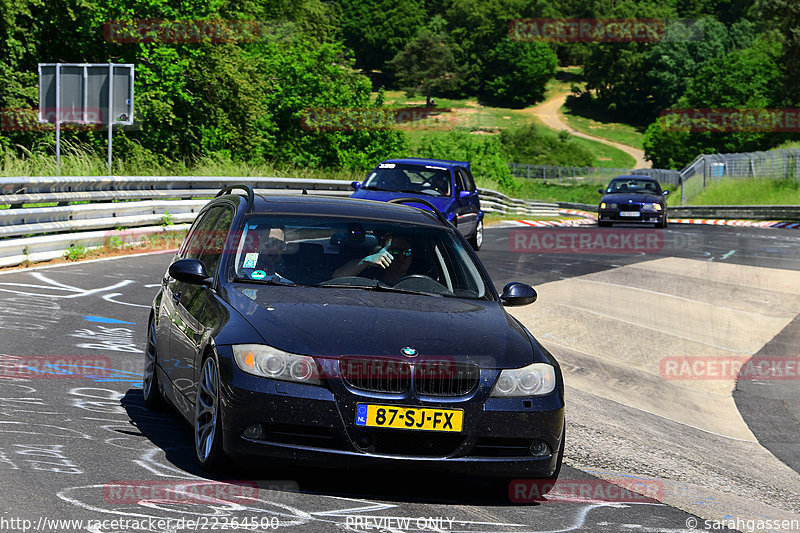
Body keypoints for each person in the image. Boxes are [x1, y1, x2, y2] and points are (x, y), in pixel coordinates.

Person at [332, 234, 413, 284]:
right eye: (395, 251)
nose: (402, 256)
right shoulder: (370, 275)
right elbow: (337, 277)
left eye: (407, 252)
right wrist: (365, 261)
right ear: (383, 252)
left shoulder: (419, 280)